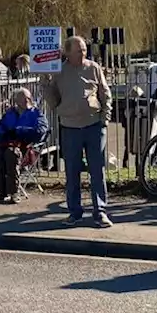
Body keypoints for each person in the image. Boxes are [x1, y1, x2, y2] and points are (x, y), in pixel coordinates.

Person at [47, 36, 113, 228]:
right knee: (72, 171)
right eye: (79, 50)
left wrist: (104, 120)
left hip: (93, 125)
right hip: (70, 127)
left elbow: (105, 93)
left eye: (84, 49)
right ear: (67, 52)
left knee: (97, 170)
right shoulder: (59, 71)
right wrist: (45, 85)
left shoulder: (93, 67)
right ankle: (74, 212)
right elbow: (53, 100)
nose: (83, 53)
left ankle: (100, 212)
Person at [0, 87, 49, 204]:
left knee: (11, 154)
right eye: (23, 98)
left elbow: (41, 131)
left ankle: (14, 192)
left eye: (28, 97)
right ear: (16, 100)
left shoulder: (36, 113)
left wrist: (19, 131)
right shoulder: (10, 114)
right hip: (9, 145)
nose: (27, 100)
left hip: (28, 149)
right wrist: (6, 136)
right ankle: (1, 192)